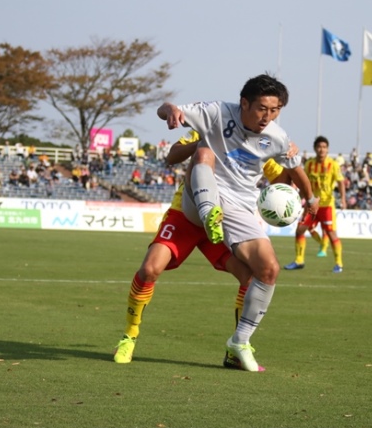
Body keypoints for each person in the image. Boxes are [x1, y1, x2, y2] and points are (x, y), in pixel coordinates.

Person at [156, 73, 318, 372]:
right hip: (199, 194)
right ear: (244, 103)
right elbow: (165, 109)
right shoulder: (216, 112)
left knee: (268, 270)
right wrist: (172, 111)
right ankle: (209, 212)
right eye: (262, 109)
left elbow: (295, 171)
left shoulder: (277, 137)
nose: (267, 117)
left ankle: (239, 341)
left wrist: (311, 199)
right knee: (205, 149)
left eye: (275, 110)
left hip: (240, 206)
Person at [113, 129, 296, 371]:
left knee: (248, 277)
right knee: (149, 269)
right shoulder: (209, 127)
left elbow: (281, 182)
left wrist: (289, 158)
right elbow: (172, 156)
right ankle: (129, 336)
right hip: (186, 214)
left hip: (224, 219)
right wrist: (201, 141)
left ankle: (236, 350)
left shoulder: (257, 144)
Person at [284, 136, 347, 273]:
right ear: (315, 148)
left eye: (324, 147)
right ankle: (299, 261)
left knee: (331, 233)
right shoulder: (309, 164)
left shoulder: (333, 164)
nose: (321, 149)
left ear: (327, 149)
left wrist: (343, 199)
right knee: (300, 230)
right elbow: (304, 183)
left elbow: (341, 182)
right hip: (311, 204)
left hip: (326, 206)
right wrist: (300, 199)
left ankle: (339, 263)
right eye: (319, 147)